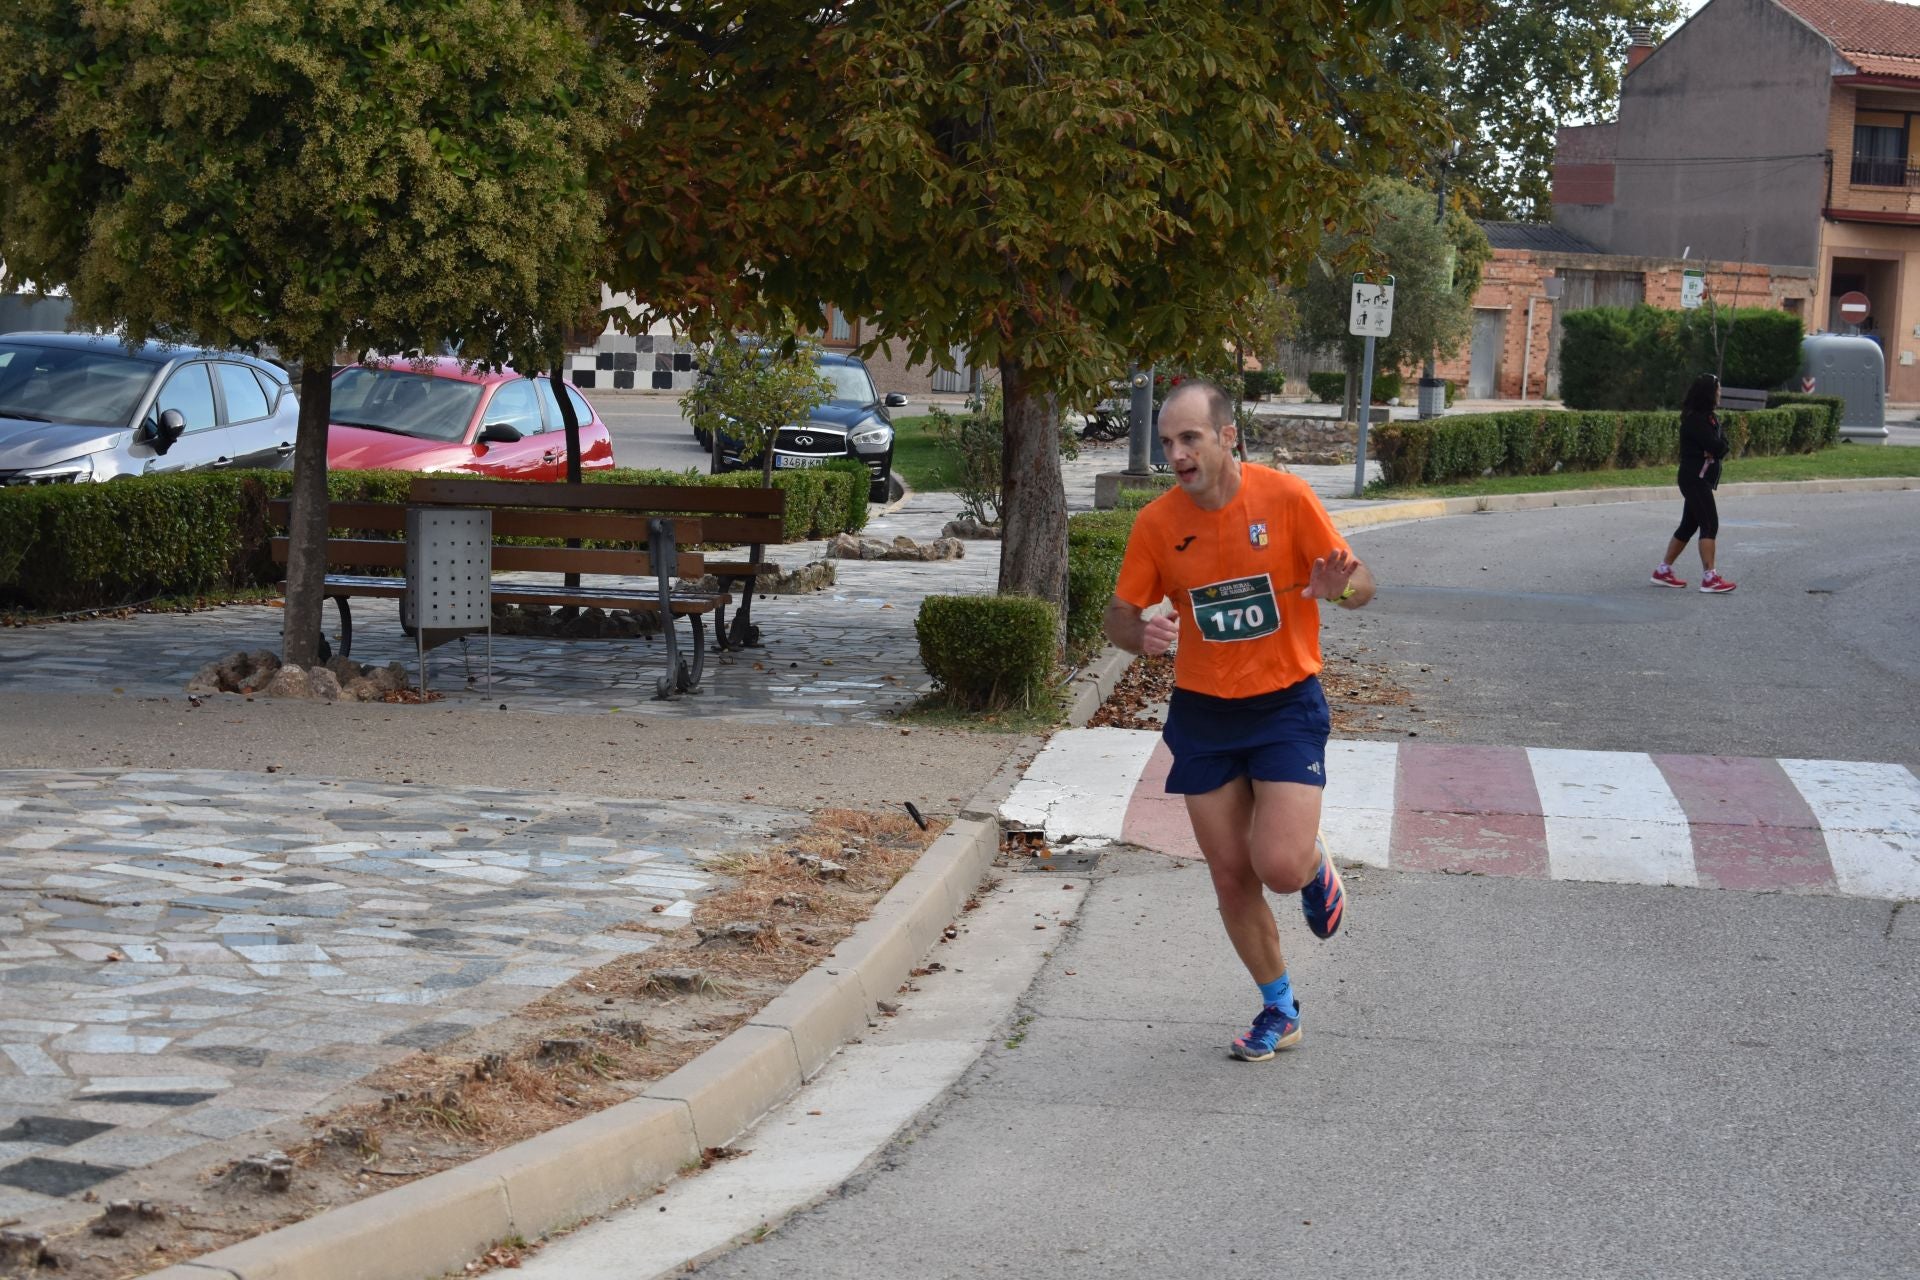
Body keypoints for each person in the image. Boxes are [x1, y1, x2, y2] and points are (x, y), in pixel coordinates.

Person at [1103, 379, 1375, 1061]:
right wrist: (1139, 636)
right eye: (1167, 442)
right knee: (1230, 874)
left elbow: (1361, 582)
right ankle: (1279, 1008)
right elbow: (1118, 615)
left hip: (1284, 704)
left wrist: (1339, 588)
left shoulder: (1285, 499)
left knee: (1278, 866)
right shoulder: (1157, 524)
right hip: (1203, 712)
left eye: (1189, 437)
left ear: (1228, 438)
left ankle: (1315, 870)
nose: (1177, 454)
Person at [1651, 372, 1736, 594]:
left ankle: (1663, 571)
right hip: (1694, 478)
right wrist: (1715, 447)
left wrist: (1716, 447)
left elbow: (1722, 445)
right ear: (1709, 393)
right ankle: (1710, 577)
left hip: (1700, 478)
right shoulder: (1695, 420)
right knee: (1710, 524)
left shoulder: (1710, 418)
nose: (1720, 393)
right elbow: (1716, 446)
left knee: (1689, 525)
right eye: (1718, 390)